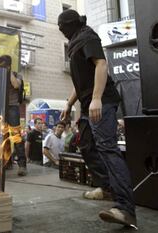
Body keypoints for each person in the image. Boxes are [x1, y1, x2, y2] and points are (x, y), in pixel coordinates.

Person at [58, 9, 136, 228]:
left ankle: (125, 209)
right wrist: (69, 103)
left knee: (107, 148)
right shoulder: (75, 44)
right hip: (86, 103)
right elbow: (79, 81)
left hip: (102, 100)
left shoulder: (87, 36)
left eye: (62, 27)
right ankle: (107, 187)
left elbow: (101, 64)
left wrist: (96, 99)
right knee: (85, 143)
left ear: (71, 24)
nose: (61, 31)